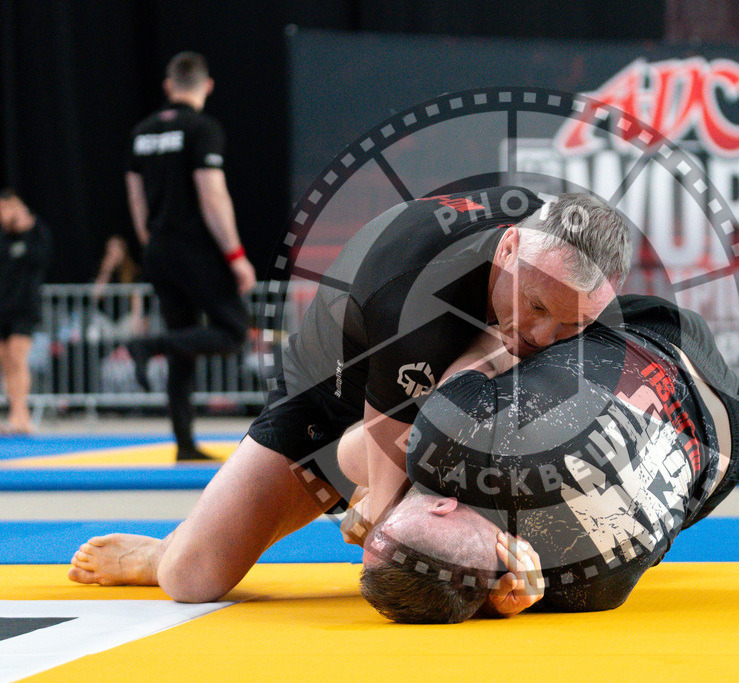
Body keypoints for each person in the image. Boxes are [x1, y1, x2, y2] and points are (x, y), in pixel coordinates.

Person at [68, 185, 633, 605]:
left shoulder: (566, 274)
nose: (542, 338)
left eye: (569, 325)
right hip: (334, 393)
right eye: (534, 307)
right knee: (191, 579)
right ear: (508, 249)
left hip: (431, 398)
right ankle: (165, 550)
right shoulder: (408, 292)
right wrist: (433, 550)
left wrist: (514, 570)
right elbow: (383, 542)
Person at [350, 294, 739, 622]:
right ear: (442, 505)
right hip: (660, 331)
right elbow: (488, 338)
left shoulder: (590, 593)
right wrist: (379, 484)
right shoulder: (446, 446)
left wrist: (504, 600)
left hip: (733, 440)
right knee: (366, 450)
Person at [122, 52, 256, 461]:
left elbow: (136, 195)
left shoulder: (142, 132)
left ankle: (184, 443)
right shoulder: (202, 128)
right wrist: (235, 255)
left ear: (169, 85)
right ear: (207, 85)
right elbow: (211, 193)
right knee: (233, 333)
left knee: (184, 341)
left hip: (159, 247)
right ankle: (149, 345)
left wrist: (150, 242)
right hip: (193, 246)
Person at [0, 189, 52, 435]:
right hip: (2, 308)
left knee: (18, 358)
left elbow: (42, 259)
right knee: (6, 362)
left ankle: (22, 415)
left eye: (7, 208)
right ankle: (14, 413)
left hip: (24, 309)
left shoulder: (36, 232)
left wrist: (27, 229)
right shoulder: (3, 237)